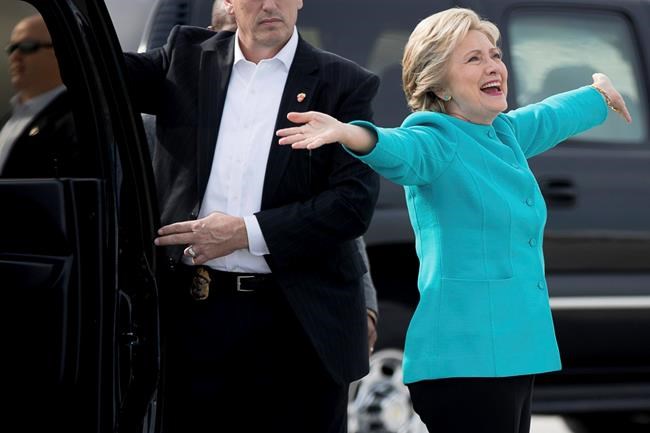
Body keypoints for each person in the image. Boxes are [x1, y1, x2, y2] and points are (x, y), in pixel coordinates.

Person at [277, 7, 631, 433]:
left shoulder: (502, 133)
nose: (493, 65)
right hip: (465, 363)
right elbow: (396, 148)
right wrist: (349, 133)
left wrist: (598, 96)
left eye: (494, 54)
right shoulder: (435, 138)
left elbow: (549, 117)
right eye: (473, 59)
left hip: (512, 356)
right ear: (438, 85)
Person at [123, 0, 380, 431]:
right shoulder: (185, 55)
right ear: (227, 2)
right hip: (195, 320)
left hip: (298, 325)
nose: (269, 4)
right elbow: (98, 72)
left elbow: (352, 205)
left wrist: (245, 233)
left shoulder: (344, 83)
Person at [0, 14, 81, 178]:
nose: (14, 57)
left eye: (27, 47)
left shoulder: (77, 121)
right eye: (11, 48)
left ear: (60, 53)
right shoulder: (8, 120)